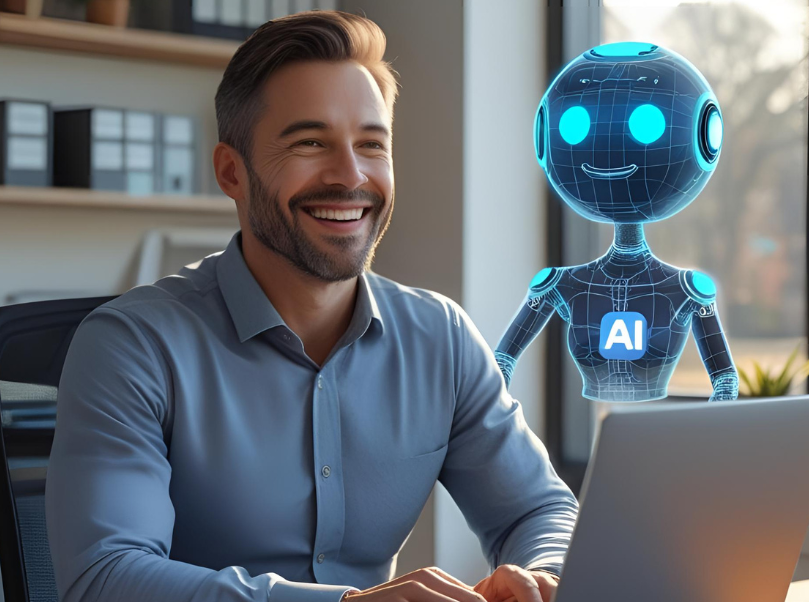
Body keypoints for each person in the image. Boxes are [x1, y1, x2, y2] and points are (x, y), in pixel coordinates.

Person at [45, 10, 578, 602]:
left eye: (371, 144)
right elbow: (105, 577)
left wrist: (541, 574)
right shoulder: (131, 345)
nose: (350, 176)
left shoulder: (440, 337)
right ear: (231, 172)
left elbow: (538, 510)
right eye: (310, 143)